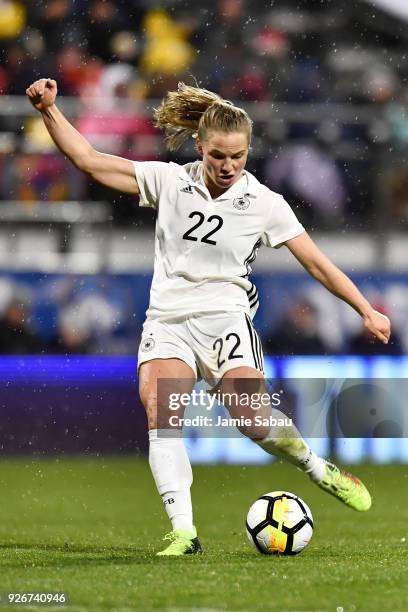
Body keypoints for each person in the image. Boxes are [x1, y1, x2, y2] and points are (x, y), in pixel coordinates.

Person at [26, 78, 391, 557]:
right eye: (218, 155)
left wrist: (365, 309)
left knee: (253, 420)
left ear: (248, 151)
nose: (228, 165)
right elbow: (90, 162)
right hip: (168, 322)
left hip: (227, 321)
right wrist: (49, 110)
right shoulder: (171, 181)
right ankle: (184, 532)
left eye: (238, 156)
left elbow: (316, 262)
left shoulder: (264, 202)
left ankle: (317, 468)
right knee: (163, 414)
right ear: (200, 146)